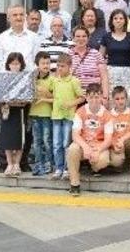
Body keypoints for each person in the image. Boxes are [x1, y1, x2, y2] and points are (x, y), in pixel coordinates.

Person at [66, 83, 113, 196]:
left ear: (101, 97)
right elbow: (75, 135)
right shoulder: (80, 111)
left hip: (99, 144)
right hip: (84, 144)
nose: (94, 100)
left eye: (97, 97)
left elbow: (108, 139)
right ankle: (75, 183)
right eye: (91, 97)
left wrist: (97, 150)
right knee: (72, 149)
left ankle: (93, 167)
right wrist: (86, 147)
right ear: (86, 98)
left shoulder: (107, 115)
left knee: (103, 161)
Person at [50, 53, 85, 181]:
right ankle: (58, 167)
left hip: (69, 116)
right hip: (56, 115)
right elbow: (50, 93)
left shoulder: (74, 81)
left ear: (70, 66)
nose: (60, 69)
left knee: (66, 143)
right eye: (58, 66)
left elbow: (82, 97)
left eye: (63, 66)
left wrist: (71, 103)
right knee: (56, 143)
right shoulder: (55, 80)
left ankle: (66, 168)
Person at [0, 53, 30, 177]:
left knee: (19, 139)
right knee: (7, 139)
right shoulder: (3, 78)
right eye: (12, 63)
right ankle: (9, 163)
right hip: (7, 112)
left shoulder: (25, 78)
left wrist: (21, 101)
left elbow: (28, 97)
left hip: (20, 112)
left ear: (21, 65)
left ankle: (17, 164)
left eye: (17, 63)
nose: (15, 66)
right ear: (8, 64)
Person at [0, 5, 41, 73]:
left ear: (25, 17)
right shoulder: (2, 37)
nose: (18, 17)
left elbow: (37, 62)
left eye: (21, 14)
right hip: (7, 80)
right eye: (15, 15)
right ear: (8, 18)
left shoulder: (34, 37)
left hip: (27, 79)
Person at [100, 9, 130, 96]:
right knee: (112, 98)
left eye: (121, 18)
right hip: (111, 72)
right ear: (111, 21)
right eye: (115, 18)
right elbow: (100, 57)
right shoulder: (106, 37)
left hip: (127, 72)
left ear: (125, 21)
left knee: (127, 98)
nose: (118, 20)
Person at [28, 52, 54, 176]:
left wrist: (46, 93)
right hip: (34, 113)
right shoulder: (32, 78)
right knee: (37, 141)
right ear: (37, 65)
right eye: (43, 63)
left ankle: (49, 163)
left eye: (48, 63)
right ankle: (39, 165)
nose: (46, 65)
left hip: (47, 114)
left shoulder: (53, 78)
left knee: (47, 140)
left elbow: (56, 98)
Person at [108, 86, 130, 172]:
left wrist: (122, 139)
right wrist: (115, 143)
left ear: (126, 99)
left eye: (122, 98)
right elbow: (107, 134)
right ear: (113, 100)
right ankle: (121, 162)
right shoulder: (108, 115)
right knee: (116, 163)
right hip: (116, 144)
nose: (120, 101)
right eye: (117, 99)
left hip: (128, 142)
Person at [70, 27, 109, 95]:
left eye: (84, 36)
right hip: (75, 96)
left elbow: (104, 77)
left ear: (88, 38)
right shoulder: (68, 55)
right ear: (73, 38)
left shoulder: (96, 54)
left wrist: (105, 96)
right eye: (78, 36)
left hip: (94, 95)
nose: (81, 39)